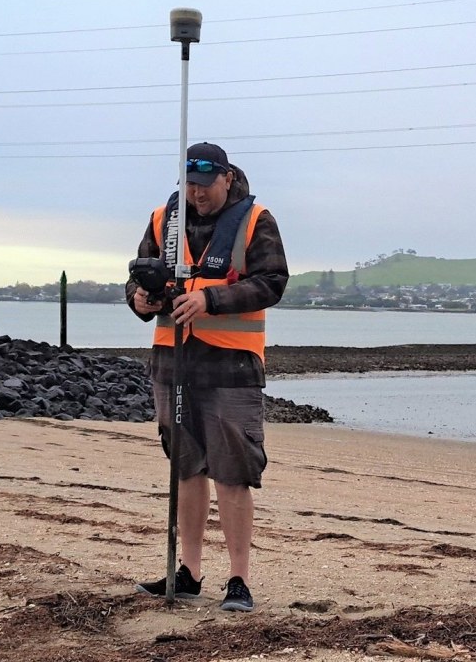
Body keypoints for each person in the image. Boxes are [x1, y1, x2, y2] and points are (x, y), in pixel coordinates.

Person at [126, 142, 288, 611]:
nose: (196, 196)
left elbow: (272, 282)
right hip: (171, 362)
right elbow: (136, 277)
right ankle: (189, 572)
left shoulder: (258, 220)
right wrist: (139, 298)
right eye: (189, 187)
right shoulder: (163, 219)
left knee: (233, 472)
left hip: (232, 366)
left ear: (226, 179)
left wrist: (210, 300)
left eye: (204, 187)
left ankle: (239, 579)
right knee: (185, 467)